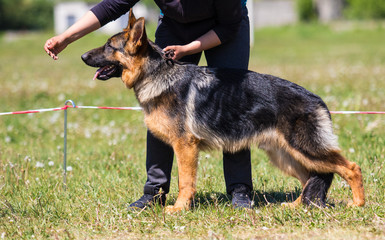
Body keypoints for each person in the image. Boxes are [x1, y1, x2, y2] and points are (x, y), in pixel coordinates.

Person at [44, 0, 253, 210]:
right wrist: (65, 37)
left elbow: (229, 25)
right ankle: (155, 192)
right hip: (174, 25)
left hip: (225, 26)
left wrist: (188, 48)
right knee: (160, 110)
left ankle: (240, 189)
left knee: (231, 102)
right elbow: (112, 5)